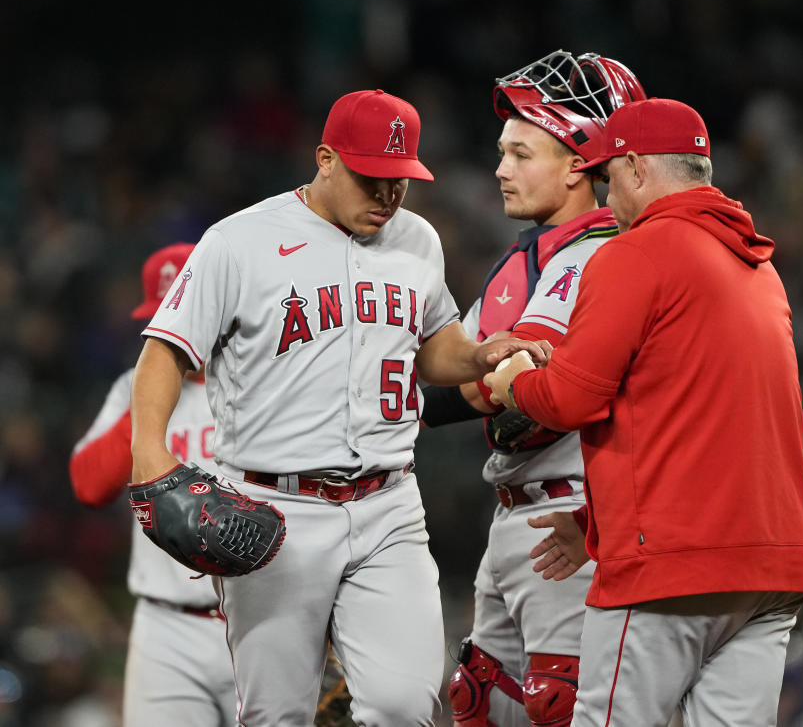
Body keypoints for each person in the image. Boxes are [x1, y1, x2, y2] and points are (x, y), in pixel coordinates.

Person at [127, 89, 547, 727]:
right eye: (370, 179)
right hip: (275, 511)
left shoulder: (417, 240)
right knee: (278, 715)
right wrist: (150, 458)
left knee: (406, 704)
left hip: (389, 508)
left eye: (399, 181)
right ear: (325, 159)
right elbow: (165, 351)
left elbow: (435, 349)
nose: (387, 197)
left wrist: (483, 355)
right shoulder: (240, 241)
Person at [483, 97, 803, 726]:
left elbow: (569, 399)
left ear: (637, 167)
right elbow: (708, 432)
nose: (608, 202)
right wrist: (592, 524)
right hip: (773, 568)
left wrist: (514, 382)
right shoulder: (758, 266)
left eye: (610, 179)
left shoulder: (637, 253)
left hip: (672, 570)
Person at [420, 50, 645, 726]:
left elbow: (520, 390)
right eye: (501, 152)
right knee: (477, 700)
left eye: (521, 153)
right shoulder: (528, 258)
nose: (500, 169)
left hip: (572, 516)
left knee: (557, 707)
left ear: (579, 163)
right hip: (517, 511)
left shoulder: (597, 253)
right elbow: (452, 373)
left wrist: (419, 400)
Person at [70, 243, 237, 727]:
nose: (175, 328)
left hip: (260, 617)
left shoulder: (261, 381)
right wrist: (149, 396)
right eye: (164, 316)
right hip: (167, 629)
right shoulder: (131, 388)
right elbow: (89, 484)